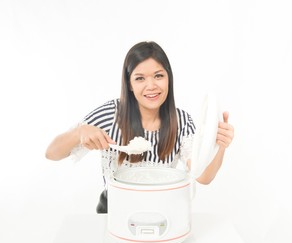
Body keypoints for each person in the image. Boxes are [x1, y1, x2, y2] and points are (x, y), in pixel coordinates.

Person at [45, 41, 234, 213]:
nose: (151, 86)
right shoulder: (112, 114)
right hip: (114, 208)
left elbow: (202, 176)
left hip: (161, 209)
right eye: (140, 78)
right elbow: (52, 153)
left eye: (158, 76)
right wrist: (79, 132)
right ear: (129, 84)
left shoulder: (182, 121)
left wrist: (220, 145)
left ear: (169, 78)